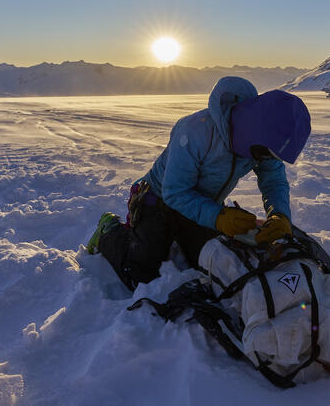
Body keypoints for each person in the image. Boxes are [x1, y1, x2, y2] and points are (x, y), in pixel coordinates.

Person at [87, 76, 311, 291]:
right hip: (158, 198)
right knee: (141, 276)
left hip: (203, 203)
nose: (264, 159)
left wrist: (279, 215)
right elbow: (174, 192)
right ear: (251, 131)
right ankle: (109, 230)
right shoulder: (196, 132)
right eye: (264, 152)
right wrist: (218, 217)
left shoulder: (261, 144)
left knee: (213, 262)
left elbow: (273, 180)